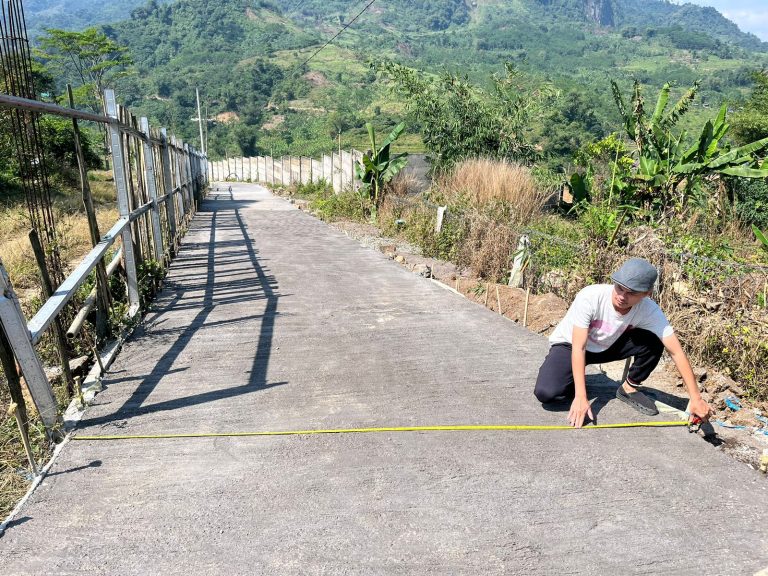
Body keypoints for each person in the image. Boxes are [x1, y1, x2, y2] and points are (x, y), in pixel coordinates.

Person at [534, 257, 712, 428]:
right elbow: (579, 347)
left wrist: (695, 398)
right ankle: (572, 379)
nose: (622, 296)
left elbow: (676, 351)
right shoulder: (590, 296)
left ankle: (629, 387)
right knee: (547, 393)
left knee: (654, 341)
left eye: (631, 293)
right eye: (619, 288)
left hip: (608, 345)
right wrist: (581, 396)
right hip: (570, 346)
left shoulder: (649, 310)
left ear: (646, 294)